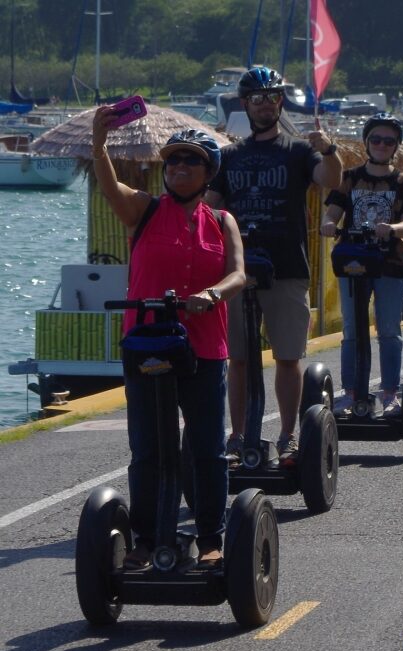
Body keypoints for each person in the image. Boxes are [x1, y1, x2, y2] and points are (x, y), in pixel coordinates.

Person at [91, 111, 245, 570]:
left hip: (203, 347)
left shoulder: (220, 220)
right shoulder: (144, 209)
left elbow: (238, 272)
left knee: (206, 448)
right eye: (173, 161)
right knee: (149, 448)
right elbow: (109, 186)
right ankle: (147, 538)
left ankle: (210, 537)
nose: (178, 168)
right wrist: (101, 144)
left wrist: (212, 293)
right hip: (146, 345)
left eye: (190, 162)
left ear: (207, 173)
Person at [205, 65, 342, 466]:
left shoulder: (299, 150)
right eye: (257, 98)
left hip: (286, 268)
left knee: (287, 357)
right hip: (237, 272)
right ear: (245, 104)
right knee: (239, 360)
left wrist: (330, 148)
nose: (266, 104)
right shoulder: (228, 156)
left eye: (272, 97)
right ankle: (237, 436)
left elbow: (330, 180)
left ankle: (287, 435)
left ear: (280, 101)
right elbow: (209, 209)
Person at [321, 113, 403, 416]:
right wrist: (328, 224)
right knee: (352, 330)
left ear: (396, 146)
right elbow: (332, 212)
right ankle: (350, 392)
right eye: (376, 139)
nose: (382, 145)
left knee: (389, 329)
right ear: (367, 142)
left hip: (392, 263)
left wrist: (392, 229)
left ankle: (391, 392)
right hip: (354, 260)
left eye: (388, 141)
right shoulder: (349, 178)